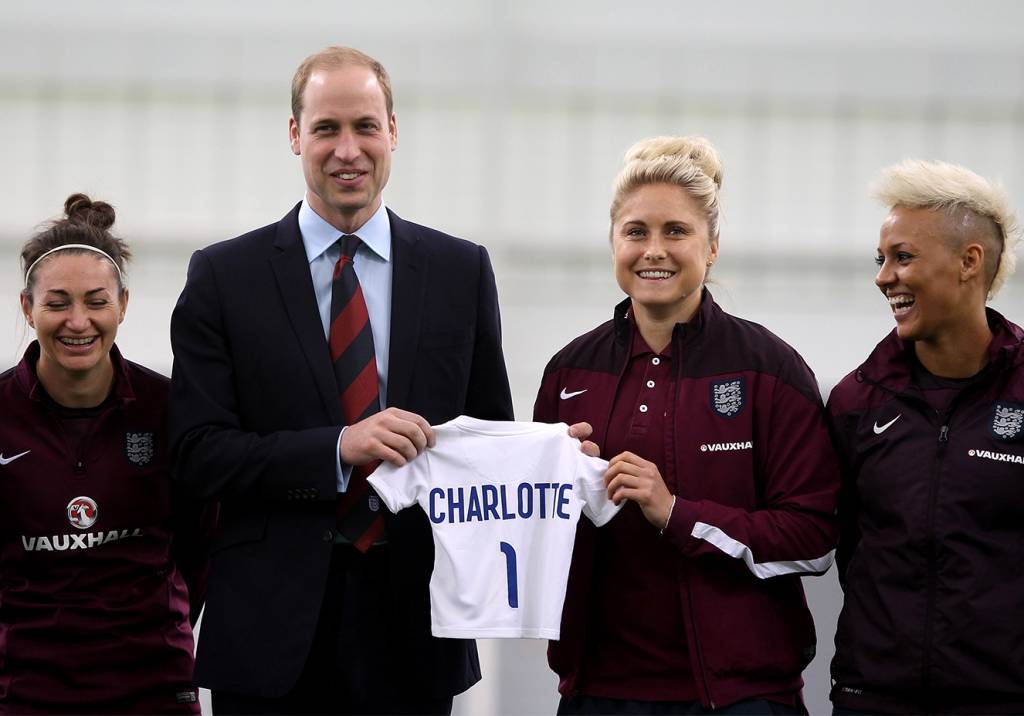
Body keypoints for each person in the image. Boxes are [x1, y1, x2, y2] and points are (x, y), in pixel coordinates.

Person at [168, 46, 513, 714]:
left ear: (394, 133)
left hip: (414, 630)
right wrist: (336, 447)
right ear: (294, 134)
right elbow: (195, 453)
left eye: (365, 126)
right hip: (268, 637)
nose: (347, 149)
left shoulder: (460, 273)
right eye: (326, 128)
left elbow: (486, 439)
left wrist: (555, 457)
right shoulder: (224, 277)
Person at [534, 136, 841, 715]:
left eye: (676, 231)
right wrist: (556, 491)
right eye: (636, 231)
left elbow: (813, 538)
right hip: (598, 692)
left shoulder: (770, 370)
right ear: (613, 242)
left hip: (742, 698)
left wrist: (677, 514)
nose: (654, 250)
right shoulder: (569, 371)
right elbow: (533, 536)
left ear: (713, 246)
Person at [0, 194, 213, 714]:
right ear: (28, 308)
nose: (78, 321)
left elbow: (199, 551)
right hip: (24, 693)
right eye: (57, 303)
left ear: (122, 303)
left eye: (96, 301)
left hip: (153, 687)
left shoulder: (170, 409)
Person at [827, 160, 1024, 714]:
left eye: (903, 257)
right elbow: (843, 545)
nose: (884, 276)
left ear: (969, 261)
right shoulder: (854, 402)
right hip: (875, 699)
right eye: (882, 259)